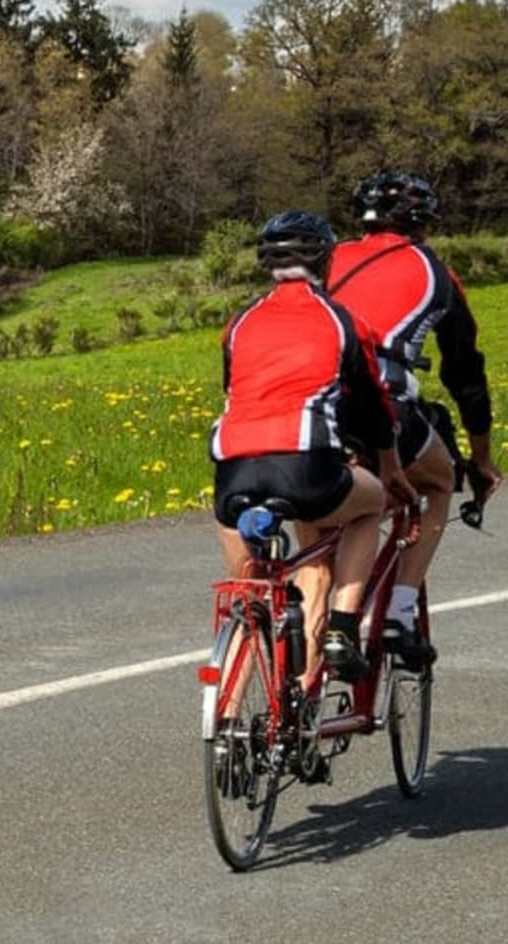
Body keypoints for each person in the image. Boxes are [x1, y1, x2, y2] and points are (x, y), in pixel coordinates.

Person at [211, 211, 415, 682]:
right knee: (371, 505)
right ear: (326, 261)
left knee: (251, 594)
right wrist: (390, 467)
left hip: (232, 471)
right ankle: (343, 627)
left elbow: (236, 389)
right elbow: (371, 404)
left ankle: (226, 724)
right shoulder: (342, 321)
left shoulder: (239, 323)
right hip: (307, 467)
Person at [326, 171, 501, 668]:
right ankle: (400, 611)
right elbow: (465, 373)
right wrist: (482, 459)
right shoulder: (437, 274)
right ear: (423, 225)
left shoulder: (326, 258)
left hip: (309, 411)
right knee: (441, 479)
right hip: (384, 407)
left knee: (324, 507)